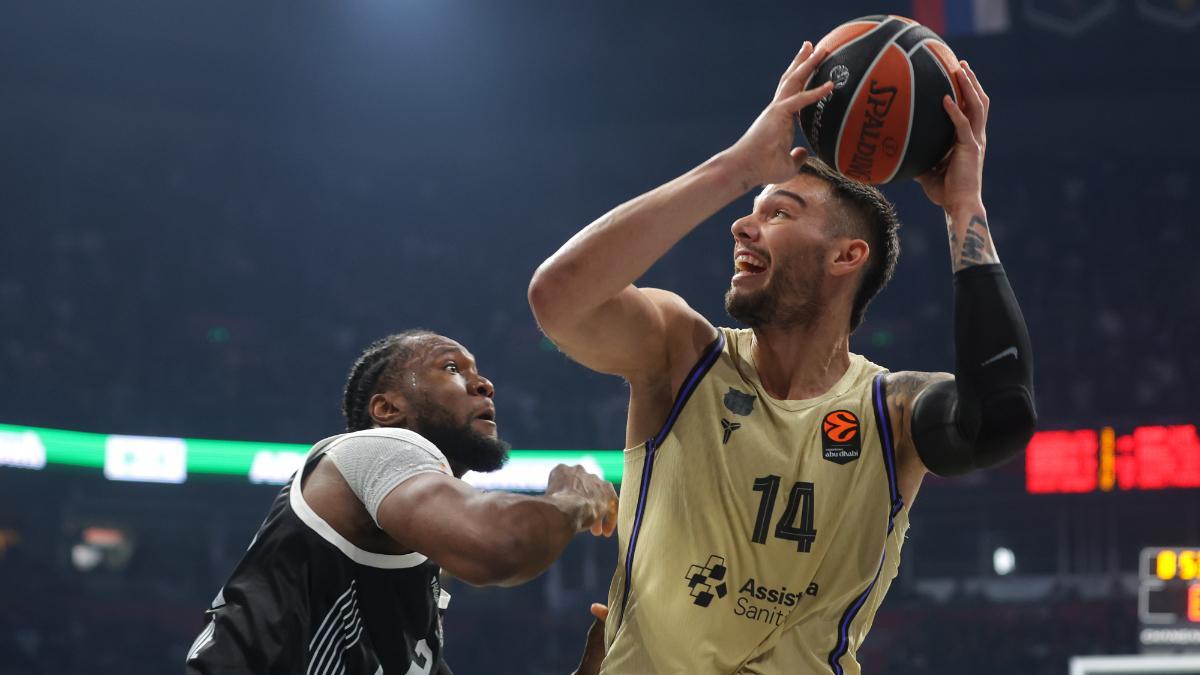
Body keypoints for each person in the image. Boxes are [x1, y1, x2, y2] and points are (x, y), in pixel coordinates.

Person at [532, 41, 1036, 674]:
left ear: (846, 256)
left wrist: (964, 205)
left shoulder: (892, 410)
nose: (742, 226)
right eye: (749, 210)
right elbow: (559, 299)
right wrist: (737, 168)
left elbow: (1000, 418)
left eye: (778, 213)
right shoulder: (683, 355)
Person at [184, 330, 618, 675]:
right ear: (387, 409)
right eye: (452, 368)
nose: (485, 384)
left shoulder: (414, 586)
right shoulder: (377, 447)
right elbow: (503, 545)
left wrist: (596, 668)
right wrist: (570, 498)